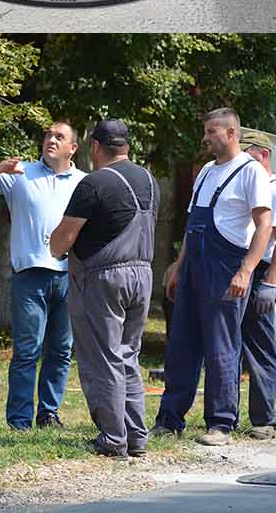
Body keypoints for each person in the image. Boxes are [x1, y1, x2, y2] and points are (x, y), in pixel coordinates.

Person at [154, 107, 273, 447]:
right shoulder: (206, 171)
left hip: (226, 267)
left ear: (231, 133)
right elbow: (193, 224)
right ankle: (169, 418)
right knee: (181, 345)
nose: (205, 138)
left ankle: (220, 424)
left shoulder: (251, 172)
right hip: (195, 266)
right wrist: (179, 265)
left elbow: (264, 225)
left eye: (211, 132)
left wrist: (246, 270)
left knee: (222, 347)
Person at [47, 120, 161, 459]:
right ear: (125, 146)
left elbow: (62, 240)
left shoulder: (93, 183)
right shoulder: (150, 181)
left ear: (95, 146)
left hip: (103, 278)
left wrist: (54, 245)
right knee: (129, 354)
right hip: (143, 275)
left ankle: (113, 439)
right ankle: (136, 435)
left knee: (104, 359)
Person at [0, 122, 86, 431]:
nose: (51, 139)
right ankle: (20, 420)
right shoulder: (20, 173)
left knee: (61, 350)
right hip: (29, 276)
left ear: (72, 148)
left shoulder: (84, 182)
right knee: (27, 350)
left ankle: (49, 414)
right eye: (48, 135)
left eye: (59, 137)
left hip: (69, 276)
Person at [237, 128, 276, 439]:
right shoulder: (249, 187)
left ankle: (264, 419)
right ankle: (226, 417)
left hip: (262, 271)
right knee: (231, 345)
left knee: (259, 345)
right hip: (243, 267)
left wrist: (271, 282)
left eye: (248, 156)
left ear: (263, 155)